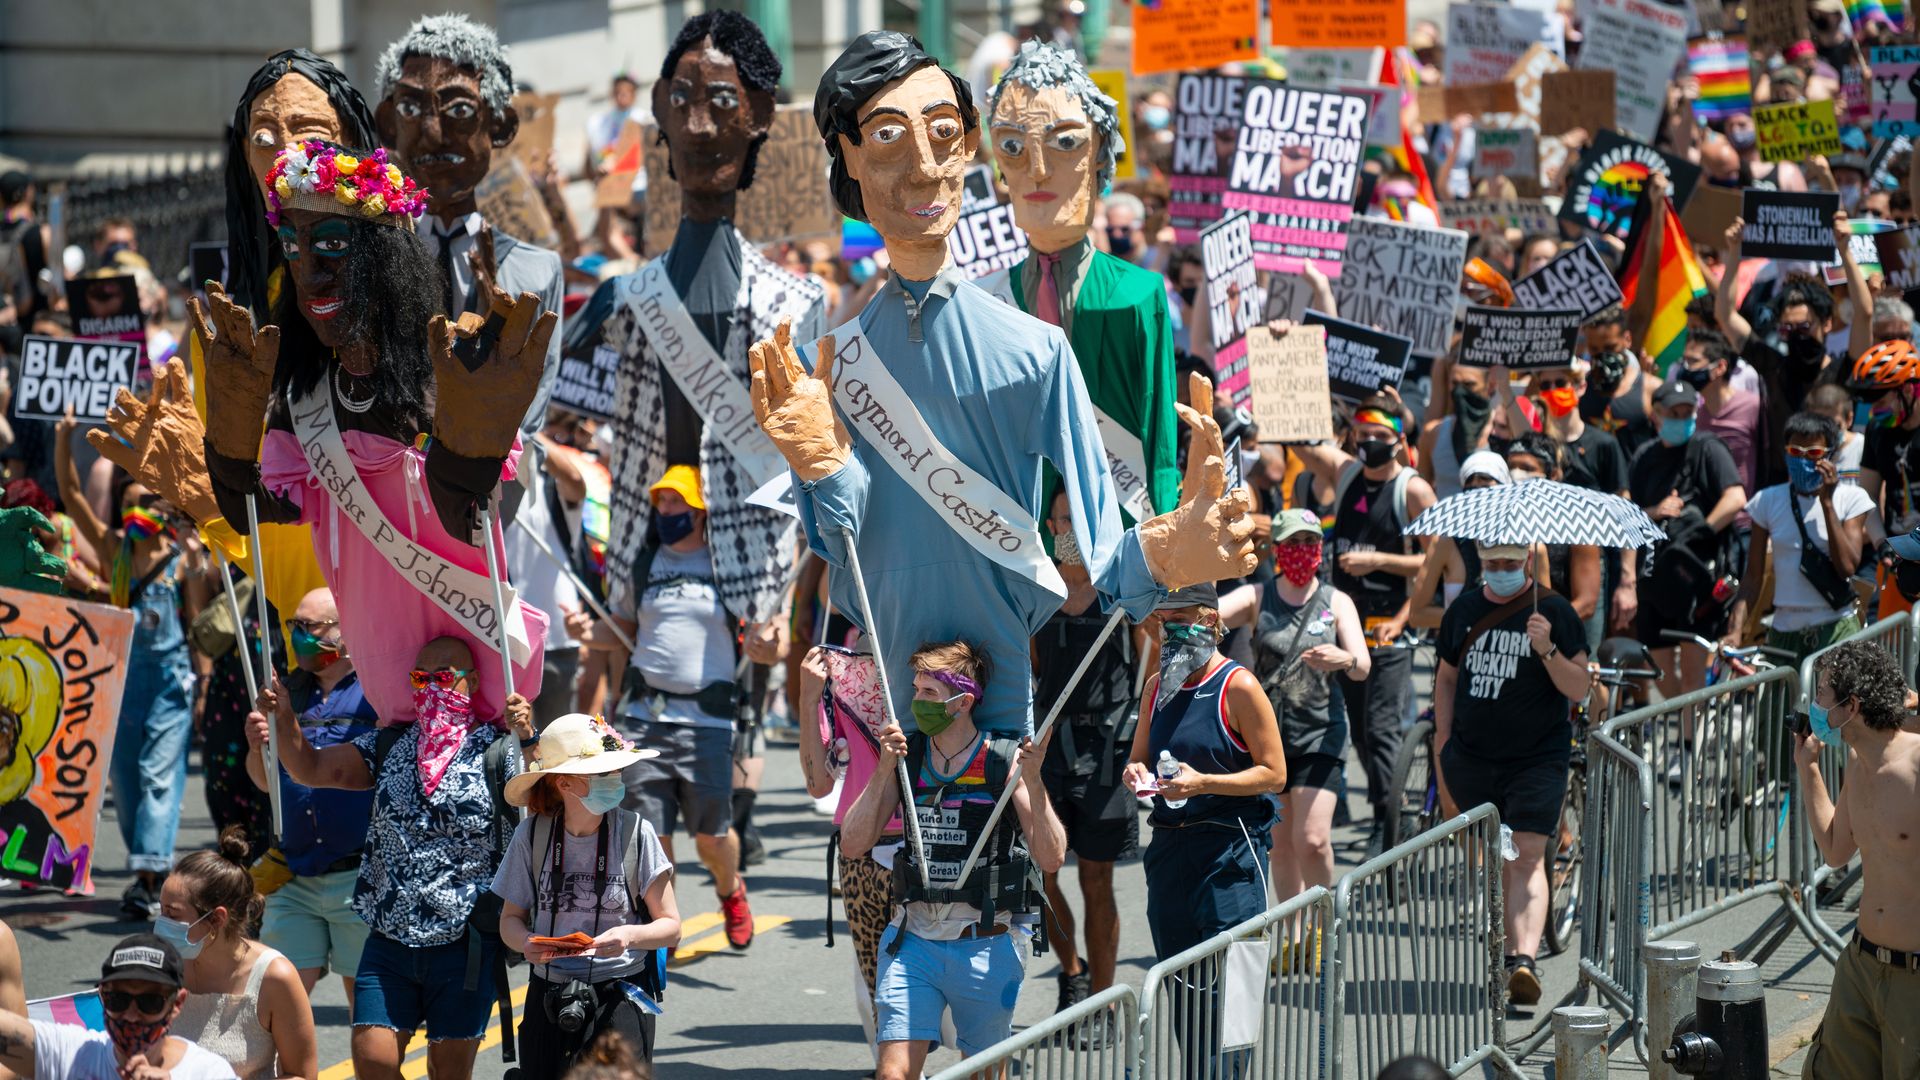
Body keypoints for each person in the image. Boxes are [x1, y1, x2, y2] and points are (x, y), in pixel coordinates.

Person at [752, 30, 1255, 735]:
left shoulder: (1039, 350)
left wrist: (1172, 551)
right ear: (848, 157)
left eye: (945, 133)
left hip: (1003, 702)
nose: (924, 166)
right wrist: (823, 468)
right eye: (890, 135)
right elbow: (844, 554)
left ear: (964, 152)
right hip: (891, 715)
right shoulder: (828, 367)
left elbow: (1106, 552)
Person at [250, 636, 534, 1080]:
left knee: (448, 1072)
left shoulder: (500, 752)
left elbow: (546, 799)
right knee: (373, 1061)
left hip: (466, 944)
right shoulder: (389, 745)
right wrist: (285, 718)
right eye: (421, 678)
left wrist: (529, 738)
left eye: (444, 677)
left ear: (473, 681)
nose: (431, 688)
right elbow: (312, 768)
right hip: (389, 940)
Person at [840, 641, 1063, 1080]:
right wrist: (884, 769)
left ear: (962, 701)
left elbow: (1051, 857)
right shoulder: (909, 759)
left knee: (982, 1072)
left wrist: (1034, 783)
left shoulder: (1004, 760)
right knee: (891, 1074)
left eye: (928, 693)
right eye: (916, 689)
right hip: (912, 941)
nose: (916, 702)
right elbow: (852, 843)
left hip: (985, 943)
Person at [991, 41, 1180, 524]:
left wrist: (1165, 549)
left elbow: (1159, 436)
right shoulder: (987, 301)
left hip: (1120, 526)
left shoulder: (1137, 295)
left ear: (1100, 157)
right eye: (1013, 145)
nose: (1037, 169)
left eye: (1066, 142)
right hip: (1024, 536)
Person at [575, 465, 756, 948]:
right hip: (644, 720)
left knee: (712, 839)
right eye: (660, 502)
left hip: (709, 723)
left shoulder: (727, 566)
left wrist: (770, 641)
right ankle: (660, 929)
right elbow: (619, 628)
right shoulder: (644, 562)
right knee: (653, 840)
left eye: (675, 502)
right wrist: (582, 633)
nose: (664, 511)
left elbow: (764, 643)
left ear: (700, 511)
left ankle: (730, 889)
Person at [374, 13, 564, 433]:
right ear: (388, 123)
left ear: (500, 124)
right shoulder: (374, 263)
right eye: (410, 107)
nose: (433, 132)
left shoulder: (535, 271)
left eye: (460, 109)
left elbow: (530, 417)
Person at [56, 410, 211, 918]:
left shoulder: (178, 552)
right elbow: (75, 501)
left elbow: (198, 616)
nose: (137, 511)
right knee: (124, 781)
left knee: (157, 775)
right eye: (129, 504)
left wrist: (194, 562)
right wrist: (64, 441)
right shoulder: (114, 548)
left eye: (146, 502)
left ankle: (150, 875)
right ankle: (145, 867)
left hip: (169, 682)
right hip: (121, 685)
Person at [1126, 584, 1284, 1074]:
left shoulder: (1238, 685)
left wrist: (1204, 783)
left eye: (1182, 618)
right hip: (1171, 850)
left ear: (1213, 621)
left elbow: (1274, 773)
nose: (1171, 629)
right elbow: (1137, 758)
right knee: (1186, 990)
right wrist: (1136, 774)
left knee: (1234, 999)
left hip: (1231, 852)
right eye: (1163, 621)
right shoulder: (1157, 686)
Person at [1432, 542, 1591, 1006]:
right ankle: (1507, 957)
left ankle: (1523, 959)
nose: (1501, 571)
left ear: (1526, 561)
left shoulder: (1555, 611)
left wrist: (1546, 649)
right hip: (1473, 758)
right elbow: (1446, 677)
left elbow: (1579, 686)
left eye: (1510, 563)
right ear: (1481, 563)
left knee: (1525, 855)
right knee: (1499, 858)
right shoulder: (1463, 611)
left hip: (1536, 759)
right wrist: (1442, 740)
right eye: (1492, 564)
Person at [495, 714, 680, 1078]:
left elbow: (671, 927)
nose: (615, 782)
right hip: (548, 990)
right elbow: (509, 920)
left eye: (615, 772)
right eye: (602, 775)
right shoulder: (532, 836)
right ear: (564, 783)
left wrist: (628, 936)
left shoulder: (637, 834)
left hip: (619, 994)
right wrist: (526, 942)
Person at [1290, 394, 1435, 852]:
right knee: (1359, 728)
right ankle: (1389, 806)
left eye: (1381, 436)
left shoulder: (1412, 491)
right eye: (1364, 435)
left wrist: (1381, 562)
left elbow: (1437, 562)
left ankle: (1387, 824)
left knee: (1381, 727)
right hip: (1343, 626)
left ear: (1399, 440)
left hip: (1390, 625)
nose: (1371, 443)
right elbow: (1301, 445)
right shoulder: (1348, 470)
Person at [1223, 509, 1369, 916]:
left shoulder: (1336, 601)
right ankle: (1295, 927)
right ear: (1277, 550)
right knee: (1282, 845)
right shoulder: (1258, 596)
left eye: (1310, 542)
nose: (1302, 551)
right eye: (1293, 544)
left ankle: (1324, 918)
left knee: (1312, 839)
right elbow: (1209, 614)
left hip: (1321, 731)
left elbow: (1363, 667)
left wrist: (1344, 658)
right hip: (1271, 736)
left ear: (1319, 549)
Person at [1031, 493, 1140, 1024]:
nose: (1067, 527)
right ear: (1049, 525)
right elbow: (1033, 665)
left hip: (1107, 755)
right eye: (1061, 518)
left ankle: (1102, 1000)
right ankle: (1071, 974)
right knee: (1041, 875)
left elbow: (1152, 658)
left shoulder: (1120, 589)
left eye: (1077, 518)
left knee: (1097, 880)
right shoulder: (1038, 587)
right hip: (1051, 754)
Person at [242, 587, 378, 1010]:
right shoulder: (284, 690)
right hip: (293, 873)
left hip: (357, 876)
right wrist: (255, 747)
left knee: (367, 1014)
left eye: (309, 626)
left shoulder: (377, 691)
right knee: (275, 1004)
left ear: (346, 630)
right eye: (293, 626)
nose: (298, 635)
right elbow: (266, 783)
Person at [1794, 640, 1920, 1078]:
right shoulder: (1857, 761)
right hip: (1861, 965)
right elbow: (1835, 849)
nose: (1814, 703)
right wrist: (1808, 768)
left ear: (1852, 706)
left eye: (1824, 691)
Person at [793, 640, 902, 1061]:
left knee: (938, 981)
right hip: (858, 848)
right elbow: (819, 783)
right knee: (876, 984)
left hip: (923, 841)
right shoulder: (833, 666)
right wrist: (807, 696)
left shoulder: (924, 663)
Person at [162, 830, 318, 1080]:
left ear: (216, 918)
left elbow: (302, 1074)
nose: (161, 922)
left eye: (172, 914)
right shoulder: (160, 964)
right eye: (161, 910)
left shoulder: (275, 978)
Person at [1629, 381, 1747, 700]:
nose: (1682, 419)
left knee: (1694, 674)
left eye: (1688, 412)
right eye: (1674, 413)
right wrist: (1654, 512)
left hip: (1696, 579)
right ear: (1655, 414)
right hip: (1654, 578)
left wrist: (1701, 530)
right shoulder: (1643, 457)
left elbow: (1735, 497)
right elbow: (1628, 513)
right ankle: (1684, 722)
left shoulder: (1708, 447)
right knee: (1660, 669)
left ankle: (1688, 744)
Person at [1726, 412, 1870, 663]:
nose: (1803, 460)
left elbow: (1847, 566)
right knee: (1777, 703)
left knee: (1833, 702)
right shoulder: (1767, 501)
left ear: (1830, 454)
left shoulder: (1851, 499)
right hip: (1784, 631)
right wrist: (1735, 632)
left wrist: (1827, 503)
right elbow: (1753, 577)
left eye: (1813, 453)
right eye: (1795, 452)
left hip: (1835, 627)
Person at [0, 935, 239, 1080]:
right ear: (103, 995)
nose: (132, 1015)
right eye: (119, 1000)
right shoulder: (71, 1054)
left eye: (149, 1002)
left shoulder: (208, 1072)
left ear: (176, 1004)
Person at [1850, 339, 1920, 620]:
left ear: (1906, 389)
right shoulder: (1877, 431)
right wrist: (1881, 544)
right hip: (1898, 560)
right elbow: (1866, 496)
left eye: (1879, 401)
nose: (1873, 411)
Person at [1578, 307, 1657, 462]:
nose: (1603, 355)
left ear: (1627, 339)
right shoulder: (1579, 387)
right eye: (1594, 349)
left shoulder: (1649, 388)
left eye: (1610, 348)